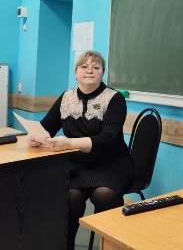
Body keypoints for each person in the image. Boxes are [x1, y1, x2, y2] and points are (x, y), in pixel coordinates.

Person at [30, 51, 133, 250]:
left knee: (104, 195)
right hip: (77, 166)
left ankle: (110, 246)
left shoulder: (115, 99)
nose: (90, 70)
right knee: (71, 197)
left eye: (96, 67)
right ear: (75, 72)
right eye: (84, 66)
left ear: (102, 72)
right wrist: (37, 137)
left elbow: (108, 140)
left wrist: (70, 143)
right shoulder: (66, 97)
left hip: (112, 164)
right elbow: (46, 127)